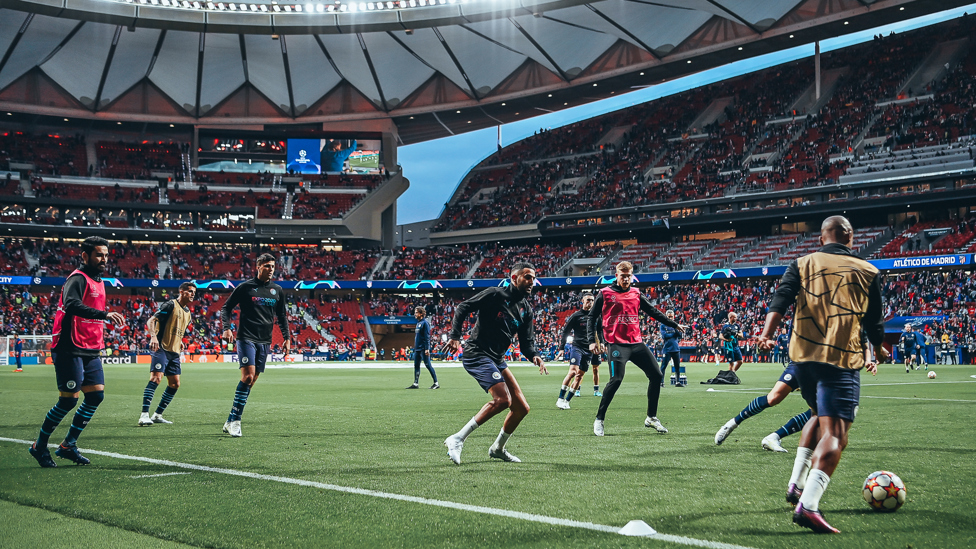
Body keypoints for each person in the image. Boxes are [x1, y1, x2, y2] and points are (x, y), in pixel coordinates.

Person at [757, 215, 887, 534]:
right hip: (840, 359)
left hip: (803, 358)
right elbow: (874, 322)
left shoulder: (802, 262)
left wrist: (766, 334)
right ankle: (809, 506)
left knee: (817, 415)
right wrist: (880, 349)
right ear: (850, 238)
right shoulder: (868, 270)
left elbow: (780, 300)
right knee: (837, 433)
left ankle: (795, 485)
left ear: (821, 239)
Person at [28, 236, 126, 467]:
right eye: (99, 255)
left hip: (90, 347)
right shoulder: (77, 278)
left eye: (105, 255)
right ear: (85, 256)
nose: (104, 259)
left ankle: (68, 445)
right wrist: (104, 315)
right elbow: (71, 303)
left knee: (95, 396)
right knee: (68, 401)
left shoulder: (99, 280)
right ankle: (39, 447)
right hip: (69, 346)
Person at [443, 262, 547, 464]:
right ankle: (456, 439)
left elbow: (526, 344)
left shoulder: (526, 309)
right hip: (477, 353)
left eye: (533, 278)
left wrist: (534, 355)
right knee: (503, 400)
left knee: (521, 408)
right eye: (527, 277)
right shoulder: (495, 294)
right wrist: (455, 336)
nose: (531, 282)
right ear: (514, 278)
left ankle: (497, 448)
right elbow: (463, 307)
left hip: (497, 358)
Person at [587, 261, 687, 437]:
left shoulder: (636, 293)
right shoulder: (605, 294)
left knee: (656, 375)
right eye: (622, 276)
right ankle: (599, 419)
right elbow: (592, 318)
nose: (626, 279)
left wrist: (673, 323)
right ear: (616, 275)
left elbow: (653, 312)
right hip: (616, 343)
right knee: (616, 379)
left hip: (636, 343)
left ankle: (651, 417)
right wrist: (592, 341)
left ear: (632, 275)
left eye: (629, 276)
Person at [220, 253, 291, 438]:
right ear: (258, 267)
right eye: (267, 266)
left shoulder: (277, 290)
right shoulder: (245, 287)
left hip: (265, 341)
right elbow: (226, 308)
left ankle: (230, 419)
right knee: (247, 377)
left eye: (273, 266)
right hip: (246, 337)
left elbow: (282, 316)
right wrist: (227, 329)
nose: (271, 269)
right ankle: (236, 422)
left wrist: (287, 338)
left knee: (252, 381)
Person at [713, 360, 812, 453]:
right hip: (801, 361)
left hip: (823, 365)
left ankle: (773, 437)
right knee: (773, 398)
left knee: (817, 410)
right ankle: (731, 425)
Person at [138, 282, 196, 426]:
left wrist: (180, 341)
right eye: (189, 291)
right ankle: (144, 415)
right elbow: (152, 320)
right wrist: (153, 337)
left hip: (175, 352)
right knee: (156, 379)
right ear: (181, 292)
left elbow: (178, 329)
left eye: (194, 292)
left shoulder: (188, 313)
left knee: (175, 384)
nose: (192, 294)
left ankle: (157, 414)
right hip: (162, 348)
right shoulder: (169, 305)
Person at [555, 294, 600, 409]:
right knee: (573, 372)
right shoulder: (576, 316)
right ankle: (560, 398)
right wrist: (561, 348)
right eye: (588, 300)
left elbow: (600, 331)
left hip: (589, 349)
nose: (590, 302)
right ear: (583, 301)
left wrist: (602, 343)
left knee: (579, 376)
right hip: (577, 347)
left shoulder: (595, 317)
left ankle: (567, 401)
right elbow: (565, 331)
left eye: (592, 300)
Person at [406, 306, 439, 389]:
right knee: (416, 365)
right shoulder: (418, 323)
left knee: (428, 365)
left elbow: (427, 336)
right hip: (417, 348)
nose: (415, 314)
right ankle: (415, 383)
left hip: (423, 349)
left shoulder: (425, 323)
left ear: (421, 313)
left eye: (416, 312)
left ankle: (436, 383)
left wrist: (427, 348)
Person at [659, 310, 683, 387]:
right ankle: (661, 382)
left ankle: (678, 382)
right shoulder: (663, 326)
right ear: (666, 316)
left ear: (673, 316)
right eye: (668, 316)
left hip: (676, 349)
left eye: (671, 316)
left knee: (677, 366)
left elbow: (680, 335)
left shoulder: (675, 325)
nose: (670, 318)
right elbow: (665, 336)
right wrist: (674, 333)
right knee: (663, 366)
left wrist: (675, 328)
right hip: (667, 349)